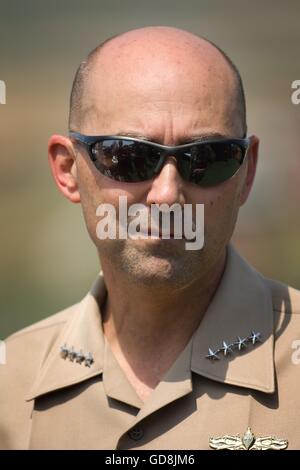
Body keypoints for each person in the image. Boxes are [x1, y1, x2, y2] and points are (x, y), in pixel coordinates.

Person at [1, 26, 299, 450]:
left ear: (247, 173)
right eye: (129, 157)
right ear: (68, 170)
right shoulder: (11, 385)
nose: (166, 195)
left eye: (206, 160)